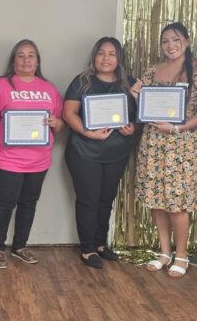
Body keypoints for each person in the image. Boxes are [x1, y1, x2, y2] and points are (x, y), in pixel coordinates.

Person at [0, 39, 64, 269]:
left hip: (39, 161)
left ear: (37, 61)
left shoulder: (48, 88)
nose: (26, 60)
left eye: (31, 55)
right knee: (4, 204)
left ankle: (19, 247)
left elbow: (59, 122)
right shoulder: (1, 86)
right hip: (7, 160)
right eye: (21, 55)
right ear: (13, 60)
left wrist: (57, 122)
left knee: (29, 203)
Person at [131, 22, 197, 277]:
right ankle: (164, 252)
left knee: (177, 203)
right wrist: (137, 96)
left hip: (181, 146)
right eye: (165, 41)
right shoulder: (151, 71)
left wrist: (178, 128)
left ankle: (181, 255)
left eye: (176, 39)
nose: (170, 45)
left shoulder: (194, 70)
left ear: (187, 42)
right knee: (156, 200)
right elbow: (144, 111)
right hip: (153, 144)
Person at [63, 37, 135, 269]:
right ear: (94, 56)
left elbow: (138, 115)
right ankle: (88, 248)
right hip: (84, 151)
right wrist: (88, 133)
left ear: (119, 58)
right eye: (101, 53)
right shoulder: (82, 81)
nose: (106, 58)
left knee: (106, 199)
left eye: (112, 53)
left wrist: (133, 127)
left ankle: (101, 244)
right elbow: (69, 113)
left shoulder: (129, 84)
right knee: (88, 200)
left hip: (117, 152)